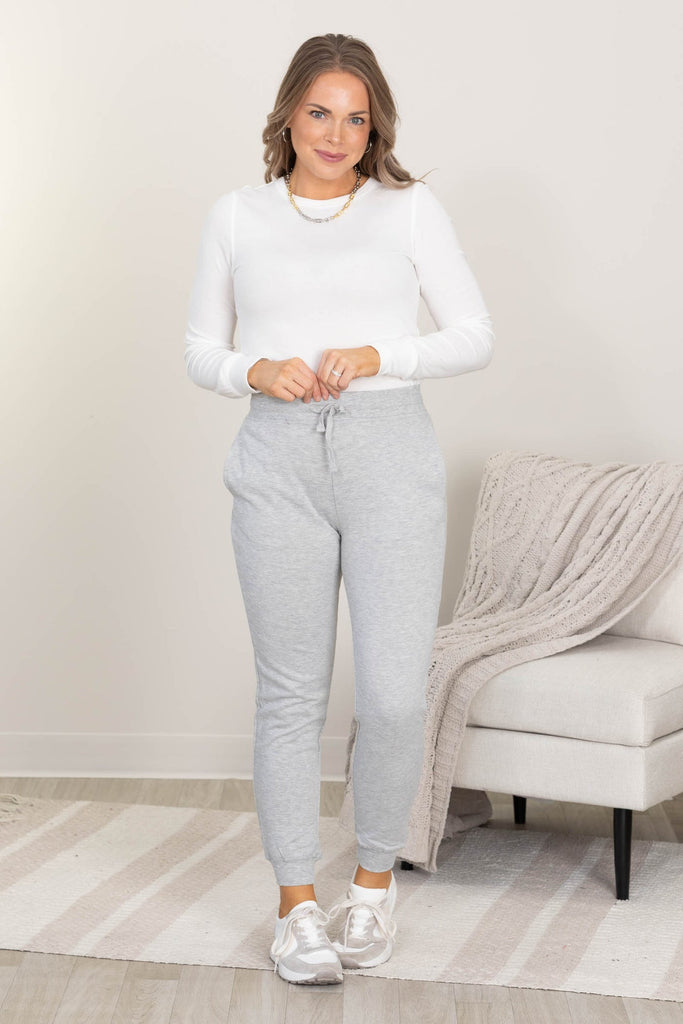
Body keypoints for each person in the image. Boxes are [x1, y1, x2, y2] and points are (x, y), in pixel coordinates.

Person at [184, 32, 495, 986]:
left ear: (374, 129)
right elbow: (200, 349)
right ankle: (295, 909)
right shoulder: (237, 215)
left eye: (356, 119)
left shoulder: (408, 210)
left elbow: (474, 334)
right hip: (276, 463)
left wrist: (379, 355)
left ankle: (370, 887)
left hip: (388, 456)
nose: (336, 133)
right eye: (320, 112)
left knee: (395, 693)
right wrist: (254, 370)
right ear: (287, 114)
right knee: (290, 695)